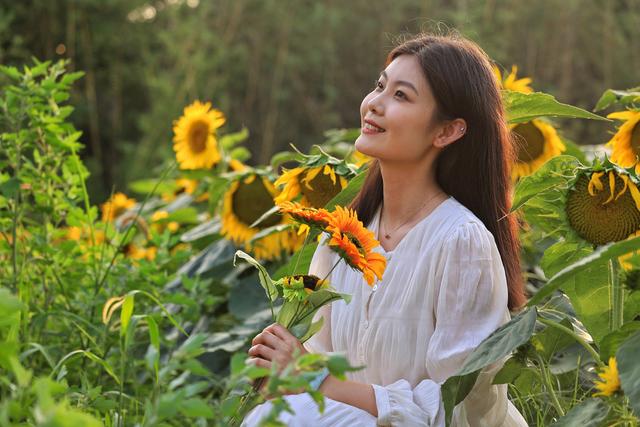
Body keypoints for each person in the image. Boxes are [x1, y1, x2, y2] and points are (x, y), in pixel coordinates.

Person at [242, 32, 529, 426]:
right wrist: (281, 370)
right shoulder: (340, 240)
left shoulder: (461, 242)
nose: (374, 104)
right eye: (380, 86)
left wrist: (313, 377)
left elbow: (460, 404)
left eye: (401, 96)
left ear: (447, 131)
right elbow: (312, 376)